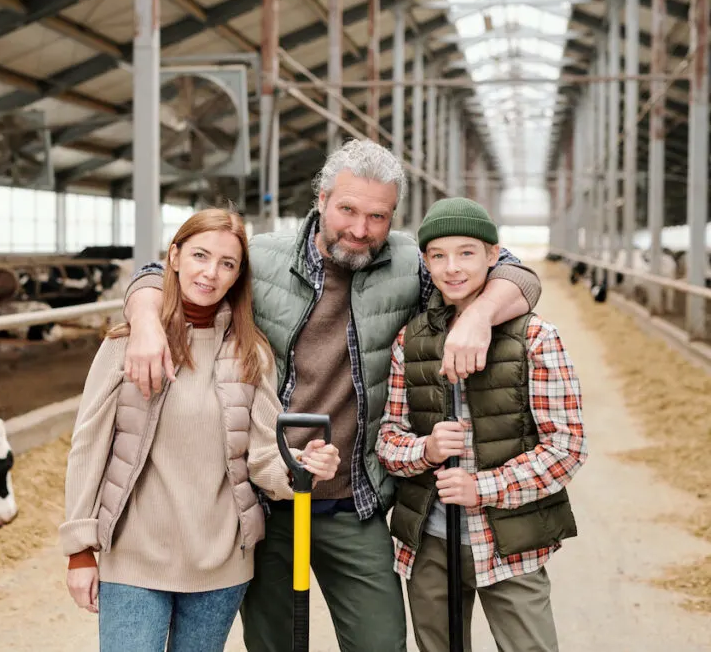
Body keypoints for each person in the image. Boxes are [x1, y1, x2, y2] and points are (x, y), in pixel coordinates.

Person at [119, 139, 543, 651]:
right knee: (273, 643)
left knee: (381, 642)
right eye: (347, 209)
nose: (360, 230)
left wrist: (476, 316)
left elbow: (518, 272)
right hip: (267, 498)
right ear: (320, 198)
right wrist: (144, 320)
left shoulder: (413, 262)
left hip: (354, 502)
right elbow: (163, 270)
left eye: (378, 216)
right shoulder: (262, 259)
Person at [60, 208, 341, 652]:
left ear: (237, 276)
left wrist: (300, 469)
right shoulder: (126, 344)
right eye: (199, 256)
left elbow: (266, 456)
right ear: (173, 257)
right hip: (134, 557)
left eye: (227, 264)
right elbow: (88, 446)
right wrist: (79, 549)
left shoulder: (253, 355)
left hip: (221, 564)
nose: (210, 273)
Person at [376, 196, 587, 652]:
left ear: (494, 255)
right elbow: (388, 439)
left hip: (510, 542)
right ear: (425, 261)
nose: (452, 267)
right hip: (428, 539)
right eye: (438, 255)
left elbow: (567, 449)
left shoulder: (535, 337)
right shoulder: (408, 341)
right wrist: (426, 450)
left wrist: (482, 488)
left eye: (467, 252)